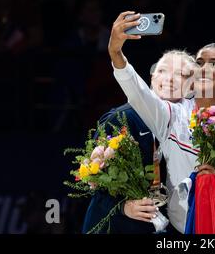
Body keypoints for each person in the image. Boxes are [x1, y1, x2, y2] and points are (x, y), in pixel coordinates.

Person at [108, 11, 215, 234]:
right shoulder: (173, 114)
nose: (204, 68)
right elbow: (137, 92)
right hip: (182, 229)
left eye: (214, 64)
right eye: (200, 62)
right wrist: (116, 51)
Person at [81, 49, 194, 233]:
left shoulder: (193, 127)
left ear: (192, 87)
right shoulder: (121, 118)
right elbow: (92, 180)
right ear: (152, 77)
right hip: (116, 225)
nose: (170, 79)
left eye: (180, 74)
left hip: (168, 225)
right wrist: (123, 206)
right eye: (162, 70)